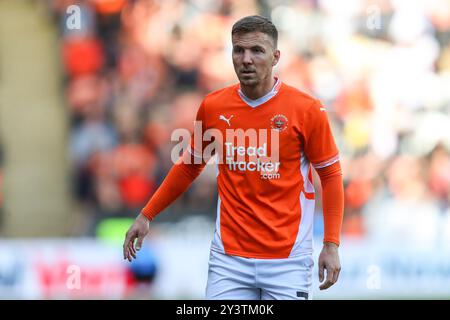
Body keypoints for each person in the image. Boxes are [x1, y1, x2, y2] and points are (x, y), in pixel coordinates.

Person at [123, 15, 344, 300]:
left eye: (257, 51)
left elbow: (330, 175)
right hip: (229, 261)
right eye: (238, 50)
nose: (246, 59)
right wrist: (146, 214)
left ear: (276, 57)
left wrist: (331, 243)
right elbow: (189, 167)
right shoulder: (214, 107)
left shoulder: (307, 110)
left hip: (287, 260)